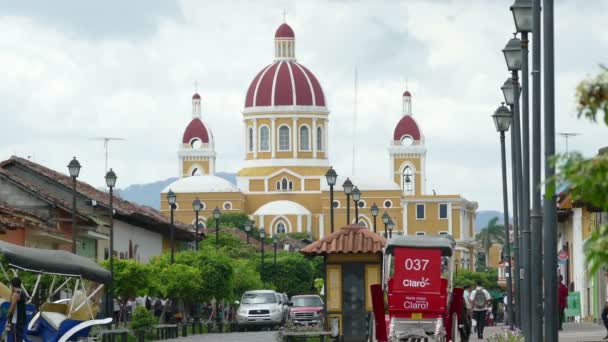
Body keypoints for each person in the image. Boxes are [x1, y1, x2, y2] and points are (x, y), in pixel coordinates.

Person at [6, 277, 26, 342]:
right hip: (21, 320)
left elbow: (12, 307)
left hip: (15, 321)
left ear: (12, 284)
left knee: (15, 339)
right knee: (19, 338)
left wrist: (8, 316)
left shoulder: (16, 294)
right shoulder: (22, 292)